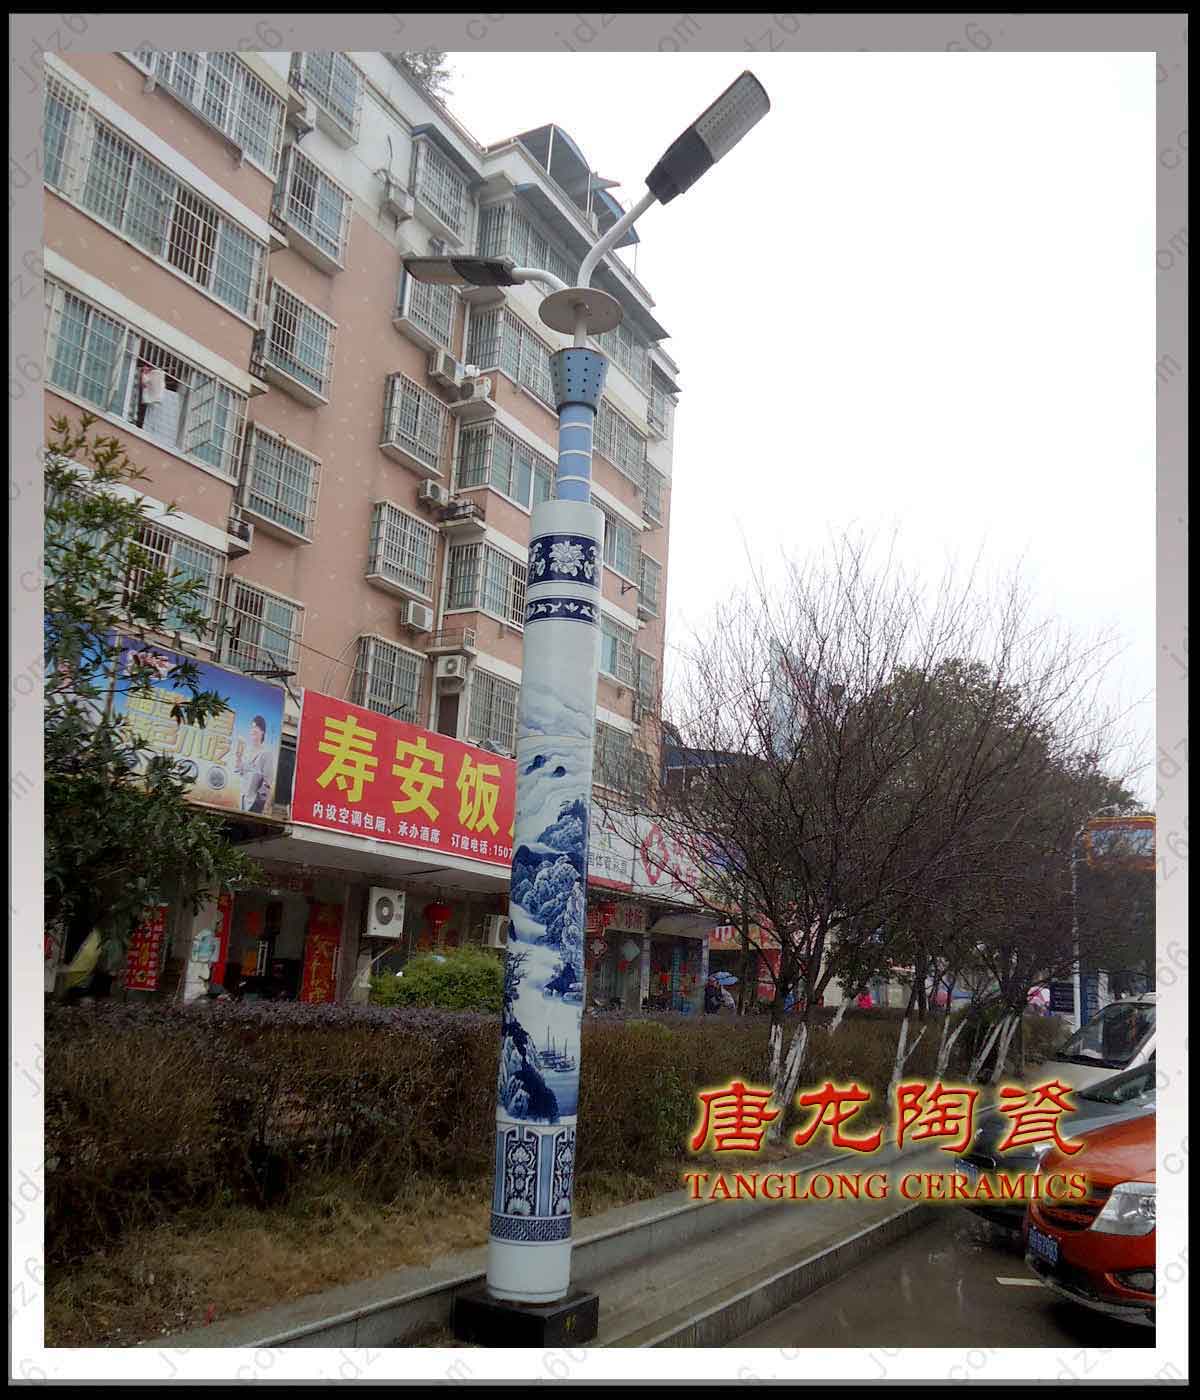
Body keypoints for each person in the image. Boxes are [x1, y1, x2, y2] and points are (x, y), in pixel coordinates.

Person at [235, 714, 274, 814]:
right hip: (243, 800)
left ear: (262, 731)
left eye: (256, 727)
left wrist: (260, 804)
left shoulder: (267, 753)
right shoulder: (248, 751)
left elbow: (268, 782)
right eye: (252, 727)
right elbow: (240, 771)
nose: (253, 730)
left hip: (254, 803)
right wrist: (238, 756)